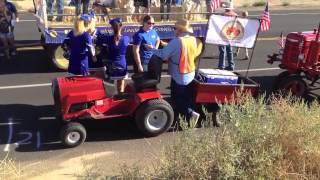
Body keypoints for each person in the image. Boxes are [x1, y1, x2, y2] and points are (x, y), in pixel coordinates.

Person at [145, 18, 202, 125]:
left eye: (175, 28)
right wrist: (168, 46)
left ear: (180, 30)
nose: (174, 30)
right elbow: (182, 51)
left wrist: (151, 48)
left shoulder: (176, 41)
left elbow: (163, 54)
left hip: (179, 74)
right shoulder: (193, 40)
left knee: (177, 98)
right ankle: (186, 115)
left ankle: (190, 114)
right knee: (187, 96)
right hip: (190, 72)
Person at [96, 18, 130, 92]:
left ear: (112, 27)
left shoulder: (108, 38)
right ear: (122, 26)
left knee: (109, 86)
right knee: (120, 84)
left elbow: (98, 36)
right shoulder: (126, 38)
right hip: (122, 64)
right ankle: (121, 98)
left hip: (111, 65)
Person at [218, 2, 237, 71]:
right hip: (231, 35)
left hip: (223, 35)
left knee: (222, 51)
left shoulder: (223, 15)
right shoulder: (235, 15)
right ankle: (231, 65)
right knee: (230, 51)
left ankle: (221, 66)